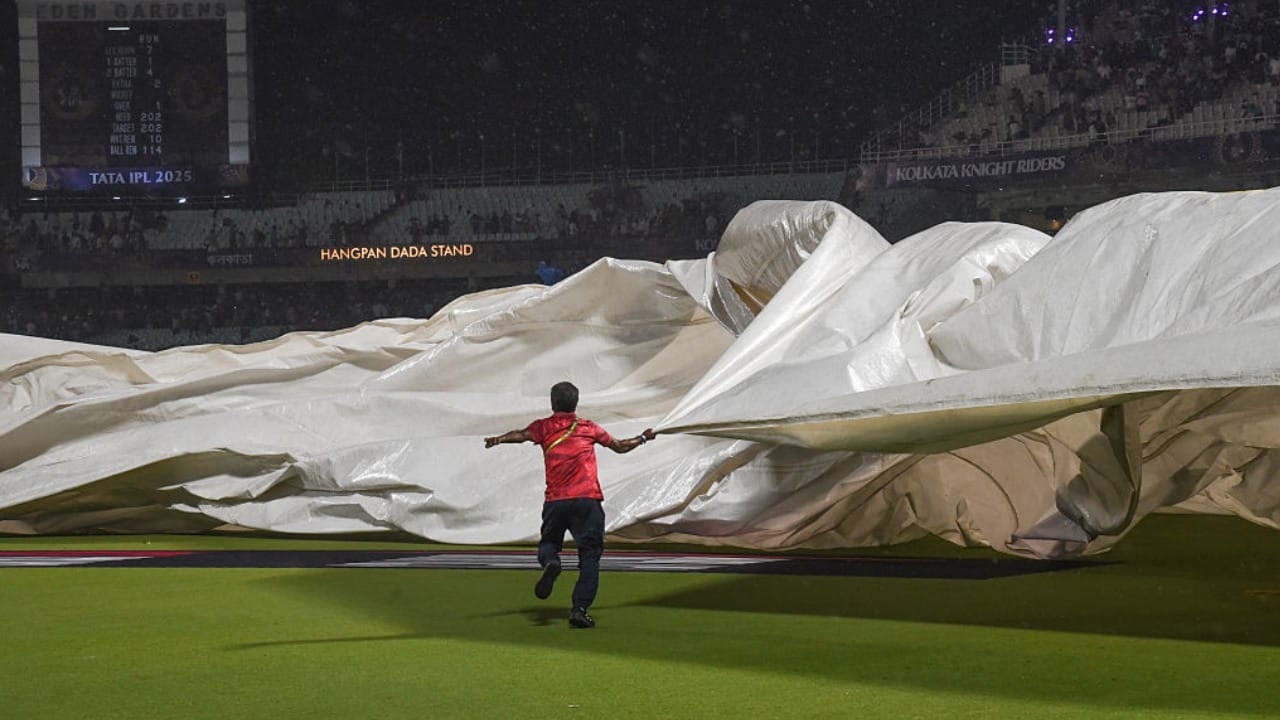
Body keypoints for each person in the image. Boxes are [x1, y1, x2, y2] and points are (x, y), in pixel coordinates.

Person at [484, 381, 655, 629]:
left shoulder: (543, 427)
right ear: (576, 402)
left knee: (548, 544)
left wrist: (498, 439)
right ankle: (579, 609)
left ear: (552, 402)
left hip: (556, 501)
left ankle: (551, 562)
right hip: (587, 500)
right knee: (590, 555)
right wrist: (643, 438)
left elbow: (520, 435)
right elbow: (620, 447)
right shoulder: (588, 427)